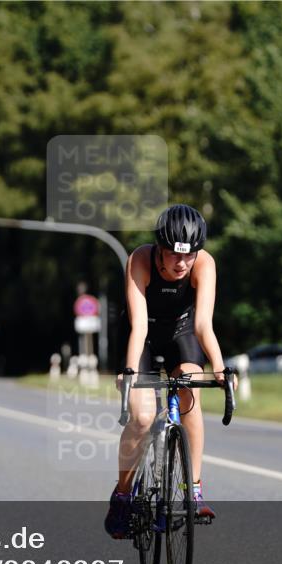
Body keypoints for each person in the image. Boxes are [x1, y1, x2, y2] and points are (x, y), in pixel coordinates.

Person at [105, 204, 233, 539]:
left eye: (188, 256)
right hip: (141, 333)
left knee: (190, 387)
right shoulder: (140, 260)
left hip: (183, 331)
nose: (181, 264)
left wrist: (220, 367)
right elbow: (137, 327)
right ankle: (122, 495)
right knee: (143, 418)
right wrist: (130, 372)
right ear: (159, 248)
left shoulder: (204, 264)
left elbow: (203, 324)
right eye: (174, 255)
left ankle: (192, 489)